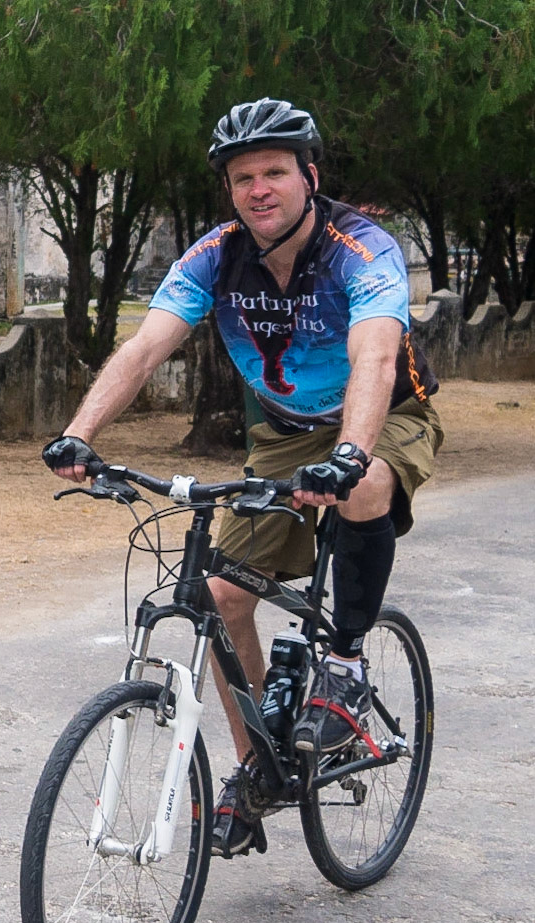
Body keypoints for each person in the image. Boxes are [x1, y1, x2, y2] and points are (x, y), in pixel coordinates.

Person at [41, 98, 443, 858]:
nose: (259, 189)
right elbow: (142, 350)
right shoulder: (216, 255)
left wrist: (352, 453)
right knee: (223, 598)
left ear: (309, 177)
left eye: (275, 173)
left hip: (385, 415)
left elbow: (375, 358)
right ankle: (256, 763)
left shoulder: (361, 249)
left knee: (360, 488)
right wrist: (77, 434)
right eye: (243, 178)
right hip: (287, 433)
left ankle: (349, 664)